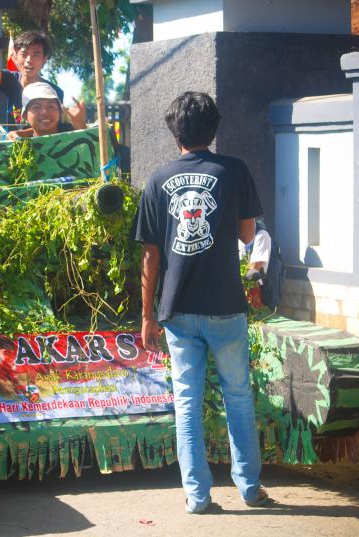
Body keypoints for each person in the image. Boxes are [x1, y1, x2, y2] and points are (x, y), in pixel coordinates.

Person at [133, 91, 268, 513]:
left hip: (178, 308)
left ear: (175, 133)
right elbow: (249, 235)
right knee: (239, 397)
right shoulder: (234, 170)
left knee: (186, 404)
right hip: (226, 305)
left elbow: (150, 257)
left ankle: (197, 496)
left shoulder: (157, 181)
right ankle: (249, 488)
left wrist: (147, 317)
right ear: (214, 127)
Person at [6, 82, 85, 140]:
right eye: (36, 107)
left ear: (60, 112)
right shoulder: (19, 146)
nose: (44, 112)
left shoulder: (72, 134)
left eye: (50, 106)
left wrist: (80, 125)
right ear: (25, 115)